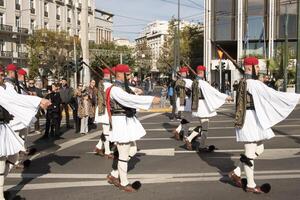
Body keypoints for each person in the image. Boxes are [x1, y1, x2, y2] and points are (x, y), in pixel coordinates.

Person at [228, 56, 300, 194]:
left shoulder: (242, 82)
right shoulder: (254, 84)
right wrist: (297, 97)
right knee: (250, 153)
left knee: (259, 149)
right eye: (256, 67)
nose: (258, 69)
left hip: (249, 120)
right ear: (250, 68)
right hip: (249, 121)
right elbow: (274, 95)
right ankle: (250, 185)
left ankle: (236, 171)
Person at [106, 64, 160, 192]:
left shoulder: (121, 87)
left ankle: (113, 174)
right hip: (120, 123)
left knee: (133, 149)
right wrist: (151, 99)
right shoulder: (115, 90)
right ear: (120, 74)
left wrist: (137, 90)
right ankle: (123, 183)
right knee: (124, 154)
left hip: (126, 122)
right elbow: (128, 99)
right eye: (128, 74)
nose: (130, 76)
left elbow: (130, 91)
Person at [0, 67, 51, 200]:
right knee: (1, 163)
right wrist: (39, 101)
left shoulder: (5, 87)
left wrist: (36, 99)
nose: (2, 77)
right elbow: (13, 100)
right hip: (3, 128)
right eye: (0, 75)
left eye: (2, 74)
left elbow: (15, 97)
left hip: (4, 126)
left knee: (12, 157)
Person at [183, 65, 232, 152]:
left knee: (202, 126)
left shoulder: (194, 82)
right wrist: (226, 97)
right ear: (202, 72)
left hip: (196, 106)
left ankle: (193, 140)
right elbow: (214, 92)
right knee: (205, 128)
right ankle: (199, 144)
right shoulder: (203, 83)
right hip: (203, 107)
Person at [94, 68, 114, 159]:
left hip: (102, 109)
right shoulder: (110, 85)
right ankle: (107, 152)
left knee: (106, 130)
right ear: (109, 75)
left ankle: (98, 146)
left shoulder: (101, 83)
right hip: (106, 109)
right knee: (107, 131)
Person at [172, 66, 193, 140]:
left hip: (179, 101)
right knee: (188, 119)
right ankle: (185, 135)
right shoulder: (189, 81)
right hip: (186, 101)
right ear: (186, 73)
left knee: (186, 118)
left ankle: (179, 131)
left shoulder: (177, 81)